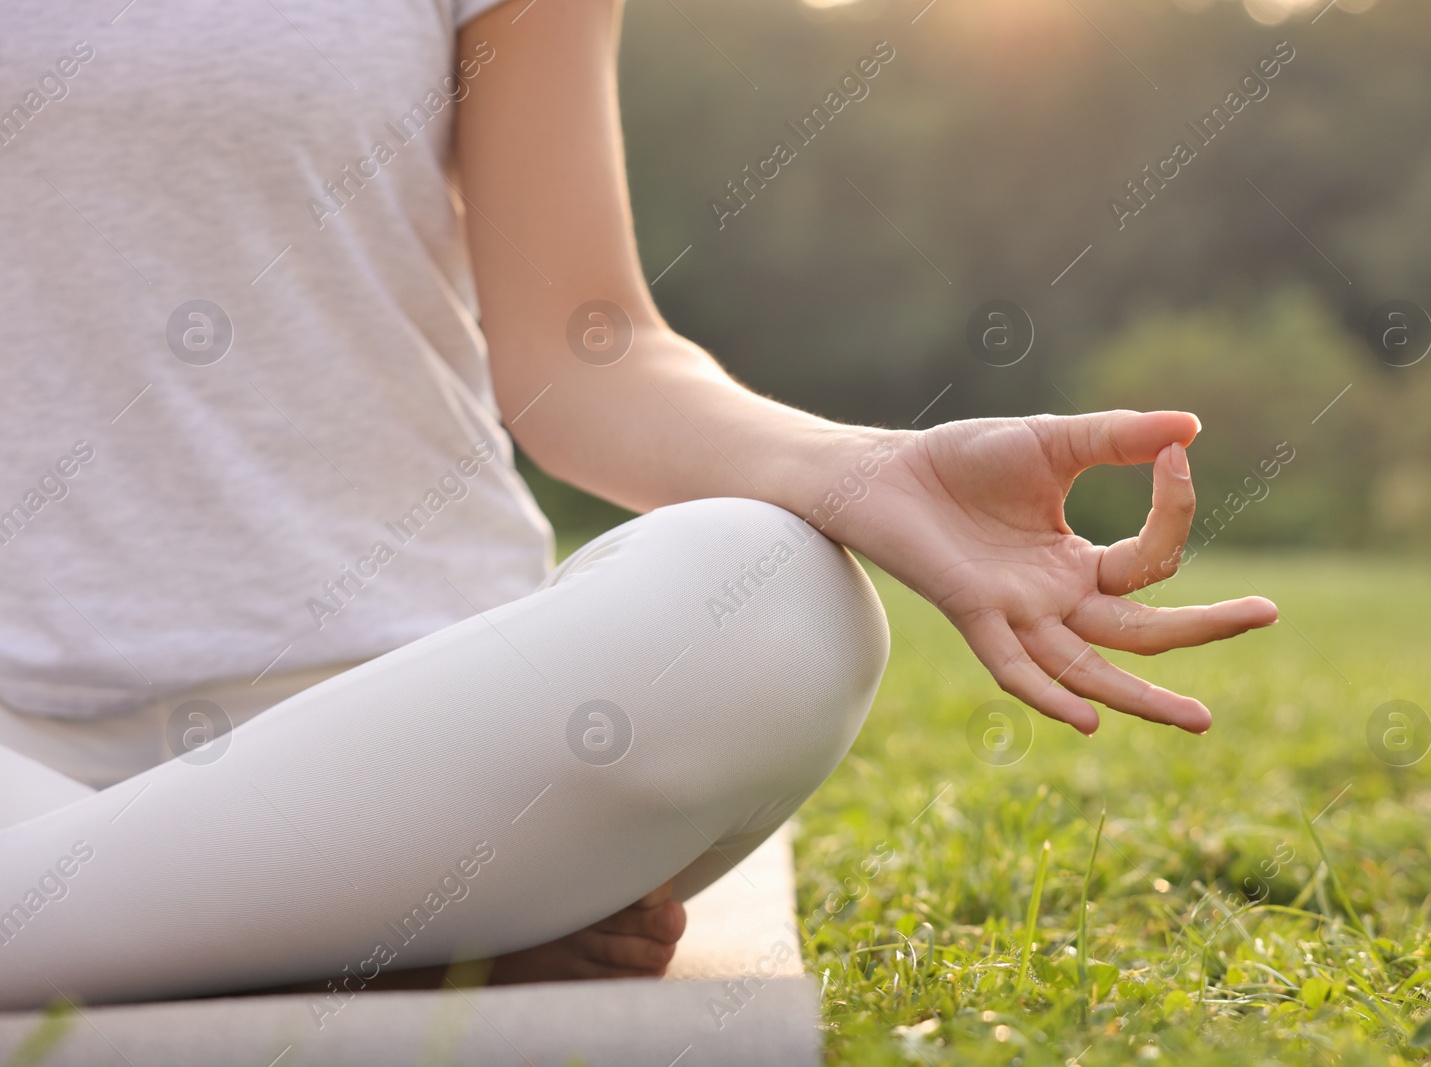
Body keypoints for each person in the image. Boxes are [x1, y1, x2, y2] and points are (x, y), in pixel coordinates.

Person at [0, 0, 1276, 1011]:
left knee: (775, 601)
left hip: (433, 735)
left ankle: (199, 922)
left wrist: (866, 470)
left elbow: (582, 351)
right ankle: (359, 935)